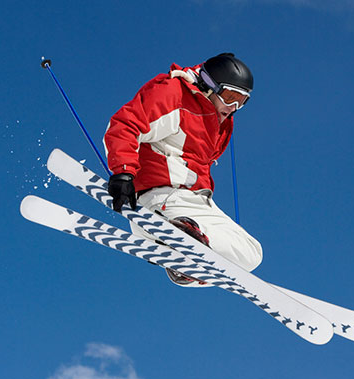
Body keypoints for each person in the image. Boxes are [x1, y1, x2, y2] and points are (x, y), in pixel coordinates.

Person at [103, 53, 263, 283]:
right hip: (165, 198)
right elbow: (125, 125)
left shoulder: (218, 120)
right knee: (238, 255)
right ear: (209, 85)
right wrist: (123, 171)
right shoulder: (175, 95)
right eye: (230, 96)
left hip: (196, 202)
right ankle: (178, 234)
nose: (234, 107)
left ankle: (185, 252)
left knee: (251, 254)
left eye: (242, 101)